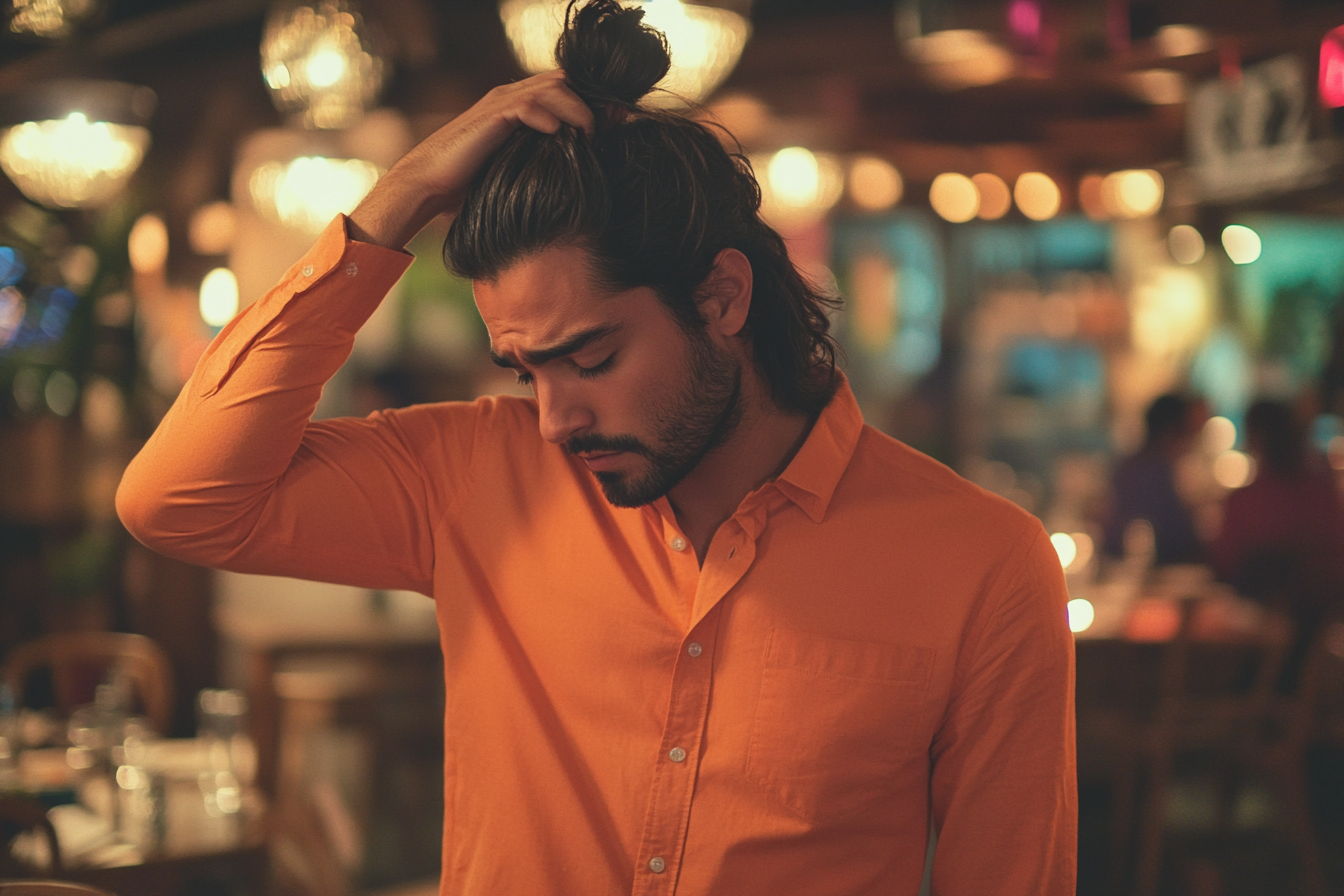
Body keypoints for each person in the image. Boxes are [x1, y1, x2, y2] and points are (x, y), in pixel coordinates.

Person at [116, 3, 1075, 893]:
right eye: (525, 369)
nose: (553, 419)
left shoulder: (981, 563)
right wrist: (400, 198)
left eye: (591, 356)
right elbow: (177, 501)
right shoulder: (476, 474)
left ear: (722, 298)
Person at [1213, 399, 1344, 685]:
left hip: (1253, 653)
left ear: (1256, 437)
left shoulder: (1247, 501)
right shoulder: (1321, 494)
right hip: (1312, 650)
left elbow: (1225, 564)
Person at [1102, 393, 1206, 565]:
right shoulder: (1154, 471)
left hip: (1125, 567)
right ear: (1172, 432)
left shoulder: (1127, 466)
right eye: (1189, 433)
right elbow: (1178, 540)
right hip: (1158, 573)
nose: (1192, 442)